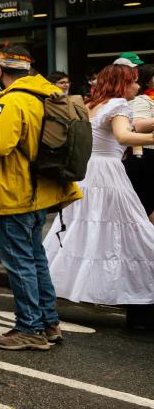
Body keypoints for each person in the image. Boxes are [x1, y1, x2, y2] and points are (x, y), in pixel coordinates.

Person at [0, 46, 81, 351]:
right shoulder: (48, 94)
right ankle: (49, 323)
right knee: (35, 259)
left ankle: (29, 328)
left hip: (16, 192)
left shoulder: (11, 100)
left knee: (20, 262)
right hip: (43, 191)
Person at [44, 64, 154, 330]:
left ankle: (45, 292)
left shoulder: (94, 104)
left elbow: (127, 124)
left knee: (80, 234)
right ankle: (140, 303)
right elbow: (123, 134)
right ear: (123, 84)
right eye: (134, 82)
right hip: (108, 175)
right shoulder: (119, 105)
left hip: (87, 173)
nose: (138, 87)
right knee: (133, 233)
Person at [125, 64, 154, 221]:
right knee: (147, 202)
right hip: (147, 154)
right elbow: (138, 125)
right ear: (147, 80)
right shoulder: (142, 100)